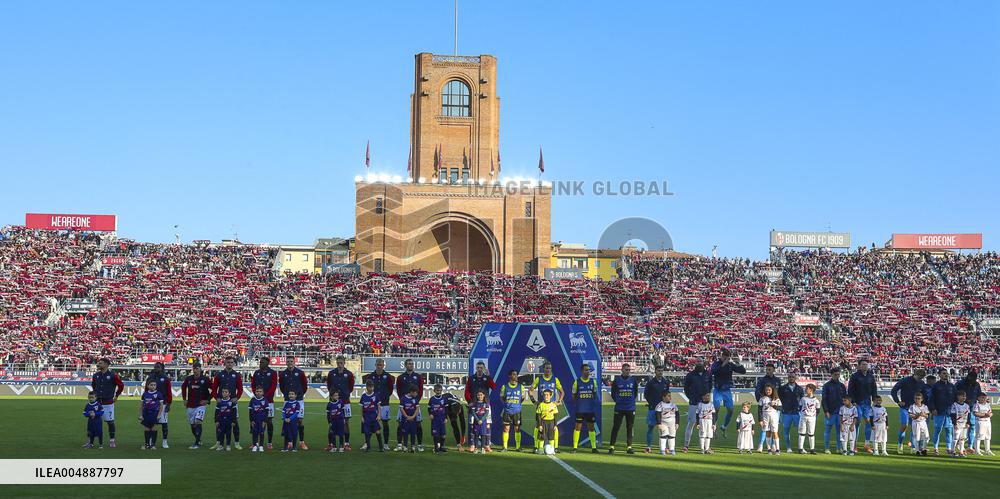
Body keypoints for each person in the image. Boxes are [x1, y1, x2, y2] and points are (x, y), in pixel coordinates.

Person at [709, 348, 746, 437]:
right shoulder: (716, 364)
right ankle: (713, 428)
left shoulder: (730, 365)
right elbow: (714, 371)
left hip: (726, 390)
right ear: (721, 356)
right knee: (716, 409)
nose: (725, 358)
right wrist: (723, 364)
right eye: (724, 356)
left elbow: (743, 371)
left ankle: (724, 426)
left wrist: (738, 362)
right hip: (718, 390)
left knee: (730, 410)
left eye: (727, 356)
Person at [211, 356, 244, 450]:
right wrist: (216, 398)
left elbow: (240, 388)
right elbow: (214, 388)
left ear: (234, 363)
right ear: (225, 363)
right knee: (219, 423)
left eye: (231, 362)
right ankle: (218, 443)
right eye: (228, 362)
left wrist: (237, 398)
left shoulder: (237, 375)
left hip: (232, 403)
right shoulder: (219, 374)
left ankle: (237, 443)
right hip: (221, 403)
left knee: (235, 422)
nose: (230, 364)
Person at [890, 368, 925, 454]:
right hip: (905, 407)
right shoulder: (905, 380)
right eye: (919, 377)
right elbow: (894, 390)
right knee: (904, 425)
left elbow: (923, 395)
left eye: (921, 378)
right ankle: (900, 444)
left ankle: (913, 446)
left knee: (915, 428)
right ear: (915, 374)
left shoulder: (921, 383)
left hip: (916, 409)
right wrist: (898, 401)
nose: (920, 379)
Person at [530, 361, 563, 452]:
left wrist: (558, 401)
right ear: (543, 369)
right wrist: (534, 401)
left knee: (554, 427)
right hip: (542, 407)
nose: (548, 370)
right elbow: (530, 391)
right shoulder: (538, 379)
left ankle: (555, 448)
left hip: (552, 408)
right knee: (538, 426)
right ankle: (536, 446)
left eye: (549, 368)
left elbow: (562, 392)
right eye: (546, 368)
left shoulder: (555, 379)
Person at [362, 358, 395, 451]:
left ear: (383, 366)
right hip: (373, 405)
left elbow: (390, 389)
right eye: (378, 365)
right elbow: (368, 388)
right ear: (375, 365)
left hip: (384, 403)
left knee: (385, 423)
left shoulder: (387, 376)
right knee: (369, 423)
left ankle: (385, 444)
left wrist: (385, 396)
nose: (379, 367)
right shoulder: (371, 376)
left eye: (381, 365)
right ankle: (366, 443)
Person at [91, 358, 124, 448]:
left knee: (110, 422)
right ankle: (91, 442)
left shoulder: (113, 375)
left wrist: (116, 396)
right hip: (97, 403)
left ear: (106, 365)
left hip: (108, 403)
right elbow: (93, 385)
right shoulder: (95, 375)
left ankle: (112, 441)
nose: (98, 364)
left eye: (100, 363)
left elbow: (121, 385)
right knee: (93, 422)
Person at [278, 357, 309, 450]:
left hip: (298, 399)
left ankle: (302, 442)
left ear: (294, 362)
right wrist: (287, 395)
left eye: (291, 361)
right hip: (287, 400)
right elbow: (282, 386)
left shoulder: (300, 373)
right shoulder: (283, 374)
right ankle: (289, 442)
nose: (290, 363)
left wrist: (299, 394)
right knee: (287, 420)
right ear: (286, 363)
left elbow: (305, 386)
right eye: (288, 362)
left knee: (299, 420)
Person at [325, 355, 355, 451]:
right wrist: (334, 396)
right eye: (338, 363)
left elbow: (351, 387)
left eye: (341, 363)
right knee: (331, 422)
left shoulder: (349, 374)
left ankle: (346, 443)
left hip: (345, 401)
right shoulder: (331, 373)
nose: (339, 365)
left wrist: (345, 394)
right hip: (333, 401)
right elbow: (329, 386)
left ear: (344, 363)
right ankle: (330, 444)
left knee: (346, 422)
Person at [395, 359, 425, 452]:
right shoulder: (400, 377)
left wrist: (415, 401)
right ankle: (400, 444)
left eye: (412, 364)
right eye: (409, 364)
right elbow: (399, 390)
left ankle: (419, 444)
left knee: (418, 425)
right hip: (403, 405)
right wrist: (403, 402)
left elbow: (420, 390)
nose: (411, 365)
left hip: (415, 405)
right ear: (405, 365)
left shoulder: (418, 377)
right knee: (400, 424)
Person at [682, 360, 712, 453]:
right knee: (691, 423)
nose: (699, 365)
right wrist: (691, 397)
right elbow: (686, 388)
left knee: (707, 425)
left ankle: (706, 448)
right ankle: (686, 445)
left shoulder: (708, 374)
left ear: (704, 364)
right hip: (694, 402)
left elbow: (710, 386)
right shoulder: (690, 375)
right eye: (698, 363)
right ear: (695, 364)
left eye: (701, 363)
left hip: (705, 404)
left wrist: (706, 397)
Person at [848, 360, 877, 453]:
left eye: (866, 364)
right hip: (858, 403)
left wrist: (874, 400)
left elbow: (874, 389)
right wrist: (853, 401)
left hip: (867, 403)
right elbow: (850, 389)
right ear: (859, 366)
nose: (865, 366)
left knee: (868, 422)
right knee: (857, 422)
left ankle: (867, 444)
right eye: (863, 364)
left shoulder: (870, 376)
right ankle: (854, 444)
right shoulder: (854, 376)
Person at [181, 363, 212, 450]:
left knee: (198, 421)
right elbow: (183, 387)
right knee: (193, 424)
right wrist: (184, 399)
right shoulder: (189, 379)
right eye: (194, 368)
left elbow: (214, 389)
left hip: (200, 405)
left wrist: (207, 400)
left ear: (200, 369)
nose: (195, 370)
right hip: (190, 404)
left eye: (197, 368)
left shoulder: (205, 379)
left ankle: (196, 443)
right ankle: (198, 439)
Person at [250, 357, 279, 450]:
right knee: (254, 421)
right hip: (256, 401)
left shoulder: (273, 373)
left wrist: (264, 396)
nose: (260, 363)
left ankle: (269, 442)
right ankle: (255, 443)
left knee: (269, 421)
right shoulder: (256, 373)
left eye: (262, 362)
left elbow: (273, 386)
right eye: (260, 362)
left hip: (268, 401)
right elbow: (253, 385)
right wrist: (257, 394)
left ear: (267, 363)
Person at [608, 363, 637, 455]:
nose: (628, 371)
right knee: (616, 427)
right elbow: (613, 393)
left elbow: (635, 392)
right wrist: (618, 401)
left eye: (629, 370)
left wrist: (631, 401)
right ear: (622, 370)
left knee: (630, 427)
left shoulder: (633, 380)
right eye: (626, 369)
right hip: (619, 407)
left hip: (630, 408)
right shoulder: (616, 380)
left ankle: (629, 447)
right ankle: (611, 447)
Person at [571, 363, 600, 454]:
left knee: (591, 428)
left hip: (590, 409)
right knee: (577, 428)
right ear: (582, 371)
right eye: (586, 370)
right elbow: (574, 395)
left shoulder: (593, 382)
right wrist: (579, 402)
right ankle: (575, 447)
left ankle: (594, 448)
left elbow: (595, 394)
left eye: (588, 370)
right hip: (580, 409)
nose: (588, 372)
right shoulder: (577, 382)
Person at [752, 363, 780, 452]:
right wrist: (762, 400)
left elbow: (779, 392)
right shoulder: (762, 380)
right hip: (765, 408)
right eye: (767, 369)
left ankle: (773, 446)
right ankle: (760, 445)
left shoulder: (777, 380)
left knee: (774, 428)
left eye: (769, 369)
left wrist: (777, 402)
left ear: (773, 370)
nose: (768, 371)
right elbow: (758, 391)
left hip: (775, 408)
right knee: (765, 428)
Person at [144, 362, 173, 449]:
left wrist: (168, 403)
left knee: (164, 423)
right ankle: (150, 442)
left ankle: (164, 441)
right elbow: (146, 390)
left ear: (162, 368)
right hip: (151, 405)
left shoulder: (165, 378)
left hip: (162, 404)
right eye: (155, 366)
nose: (156, 368)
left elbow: (169, 392)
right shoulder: (150, 377)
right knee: (151, 423)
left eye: (158, 367)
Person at [642, 364, 670, 453]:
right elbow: (646, 394)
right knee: (651, 427)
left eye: (662, 371)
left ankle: (663, 447)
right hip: (653, 408)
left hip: (663, 409)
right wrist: (651, 403)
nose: (660, 372)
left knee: (664, 428)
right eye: (659, 371)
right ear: (655, 372)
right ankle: (648, 446)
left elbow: (667, 394)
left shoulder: (665, 382)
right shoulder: (651, 382)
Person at [954, 369, 983, 452]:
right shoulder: (960, 383)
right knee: (961, 427)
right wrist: (964, 401)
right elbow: (955, 394)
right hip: (961, 408)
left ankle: (970, 446)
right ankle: (959, 445)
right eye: (972, 378)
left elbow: (979, 395)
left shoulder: (977, 385)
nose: (973, 380)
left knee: (972, 426)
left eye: (975, 378)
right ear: (968, 377)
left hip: (972, 408)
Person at [930, 368, 956, 455]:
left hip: (949, 413)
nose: (946, 375)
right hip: (939, 411)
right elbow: (931, 399)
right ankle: (935, 447)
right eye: (944, 373)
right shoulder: (935, 386)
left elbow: (955, 399)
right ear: (939, 375)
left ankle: (948, 448)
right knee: (937, 430)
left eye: (946, 373)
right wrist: (933, 409)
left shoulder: (952, 386)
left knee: (949, 430)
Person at [821, 367, 847, 454]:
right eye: (835, 374)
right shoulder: (826, 386)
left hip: (840, 413)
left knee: (839, 431)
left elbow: (845, 399)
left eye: (838, 374)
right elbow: (824, 399)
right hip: (830, 412)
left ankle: (839, 448)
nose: (837, 376)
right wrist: (826, 411)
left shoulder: (842, 386)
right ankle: (827, 448)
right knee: (827, 431)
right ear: (831, 375)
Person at [498, 370, 525, 452]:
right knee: (506, 429)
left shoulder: (521, 387)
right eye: (514, 374)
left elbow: (523, 398)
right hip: (507, 411)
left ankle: (518, 447)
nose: (516, 376)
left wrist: (517, 404)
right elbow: (502, 398)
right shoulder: (504, 387)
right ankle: (505, 447)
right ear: (510, 376)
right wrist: (507, 405)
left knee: (517, 429)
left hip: (517, 411)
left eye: (516, 374)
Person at [777, 372, 803, 453]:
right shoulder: (782, 388)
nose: (791, 378)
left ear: (795, 378)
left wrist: (800, 410)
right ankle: (788, 447)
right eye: (790, 377)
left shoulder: (800, 388)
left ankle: (801, 447)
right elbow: (779, 399)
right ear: (787, 378)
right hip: (786, 412)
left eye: (793, 377)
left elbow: (802, 400)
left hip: (796, 412)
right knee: (786, 431)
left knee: (801, 431)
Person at [138, 380, 165, 450]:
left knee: (153, 428)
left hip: (154, 413)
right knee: (147, 428)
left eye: (154, 385)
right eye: (151, 385)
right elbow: (141, 405)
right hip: (146, 413)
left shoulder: (159, 394)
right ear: (148, 386)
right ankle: (147, 444)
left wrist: (159, 415)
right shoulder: (145, 394)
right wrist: (141, 415)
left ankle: (153, 445)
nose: (153, 386)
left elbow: (161, 406)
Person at [360, 380, 384, 453]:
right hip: (366, 417)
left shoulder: (376, 395)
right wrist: (362, 417)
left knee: (377, 431)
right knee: (367, 432)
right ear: (366, 387)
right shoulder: (363, 396)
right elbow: (361, 408)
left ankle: (381, 447)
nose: (371, 388)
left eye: (372, 387)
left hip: (374, 417)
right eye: (370, 387)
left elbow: (379, 406)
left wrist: (379, 415)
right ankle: (368, 447)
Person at [758, 384, 781, 454]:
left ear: (772, 390)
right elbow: (759, 410)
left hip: (774, 416)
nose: (767, 391)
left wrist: (773, 405)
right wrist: (760, 420)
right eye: (766, 390)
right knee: (767, 432)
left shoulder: (776, 399)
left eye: (769, 390)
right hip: (765, 417)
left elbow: (780, 408)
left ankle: (777, 449)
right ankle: (769, 449)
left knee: (775, 432)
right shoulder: (762, 399)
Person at [655, 391, 680, 456]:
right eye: (668, 396)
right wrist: (659, 423)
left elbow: (677, 414)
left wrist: (677, 423)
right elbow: (657, 414)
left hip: (672, 423)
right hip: (663, 423)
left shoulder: (673, 405)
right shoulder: (660, 405)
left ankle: (672, 449)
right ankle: (662, 450)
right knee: (663, 436)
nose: (670, 397)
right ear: (663, 397)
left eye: (670, 395)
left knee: (672, 436)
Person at [798, 383, 819, 454]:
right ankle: (800, 448)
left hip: (812, 418)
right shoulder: (803, 399)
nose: (806, 390)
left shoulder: (816, 400)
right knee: (802, 432)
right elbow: (800, 407)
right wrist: (802, 414)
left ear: (811, 390)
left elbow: (818, 410)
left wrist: (814, 416)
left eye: (807, 389)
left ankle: (812, 449)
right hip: (803, 417)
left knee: (811, 433)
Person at [468, 389, 492, 454]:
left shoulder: (486, 404)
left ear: (484, 395)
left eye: (481, 395)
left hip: (483, 422)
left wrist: (482, 420)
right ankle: (476, 448)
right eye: (478, 395)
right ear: (476, 396)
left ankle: (482, 448)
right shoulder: (474, 404)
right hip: (476, 422)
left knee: (483, 435)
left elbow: (486, 413)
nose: (480, 396)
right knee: (476, 435)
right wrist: (478, 420)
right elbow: (473, 412)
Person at [428, 383, 449, 453]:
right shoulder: (432, 399)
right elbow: (429, 408)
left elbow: (446, 409)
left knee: (443, 434)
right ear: (434, 390)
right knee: (435, 434)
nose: (439, 392)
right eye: (437, 390)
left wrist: (446, 418)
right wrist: (430, 414)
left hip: (442, 419)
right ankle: (436, 447)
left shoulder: (444, 399)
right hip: (435, 419)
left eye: (440, 390)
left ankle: (442, 447)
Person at [950, 390, 971, 458]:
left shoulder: (967, 406)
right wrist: (955, 424)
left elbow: (969, 415)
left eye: (965, 396)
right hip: (958, 424)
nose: (964, 397)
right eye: (962, 396)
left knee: (962, 439)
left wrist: (968, 423)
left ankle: (961, 452)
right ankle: (952, 452)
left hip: (964, 425)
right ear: (958, 397)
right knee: (955, 438)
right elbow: (953, 415)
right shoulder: (954, 405)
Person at [400, 386, 420, 453]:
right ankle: (405, 447)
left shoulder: (415, 399)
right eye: (416, 393)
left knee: (413, 433)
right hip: (405, 419)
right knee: (405, 433)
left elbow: (417, 409)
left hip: (413, 419)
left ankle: (413, 447)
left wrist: (413, 416)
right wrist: (406, 416)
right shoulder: (403, 398)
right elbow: (401, 408)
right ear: (411, 392)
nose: (416, 394)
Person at [249, 387, 269, 452]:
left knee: (261, 433)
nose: (258, 393)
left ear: (263, 393)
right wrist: (251, 420)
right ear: (255, 392)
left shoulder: (265, 400)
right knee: (254, 433)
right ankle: (254, 445)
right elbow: (250, 412)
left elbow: (266, 412)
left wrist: (265, 421)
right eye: (257, 391)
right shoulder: (252, 400)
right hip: (254, 420)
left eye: (260, 391)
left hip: (262, 420)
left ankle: (261, 446)